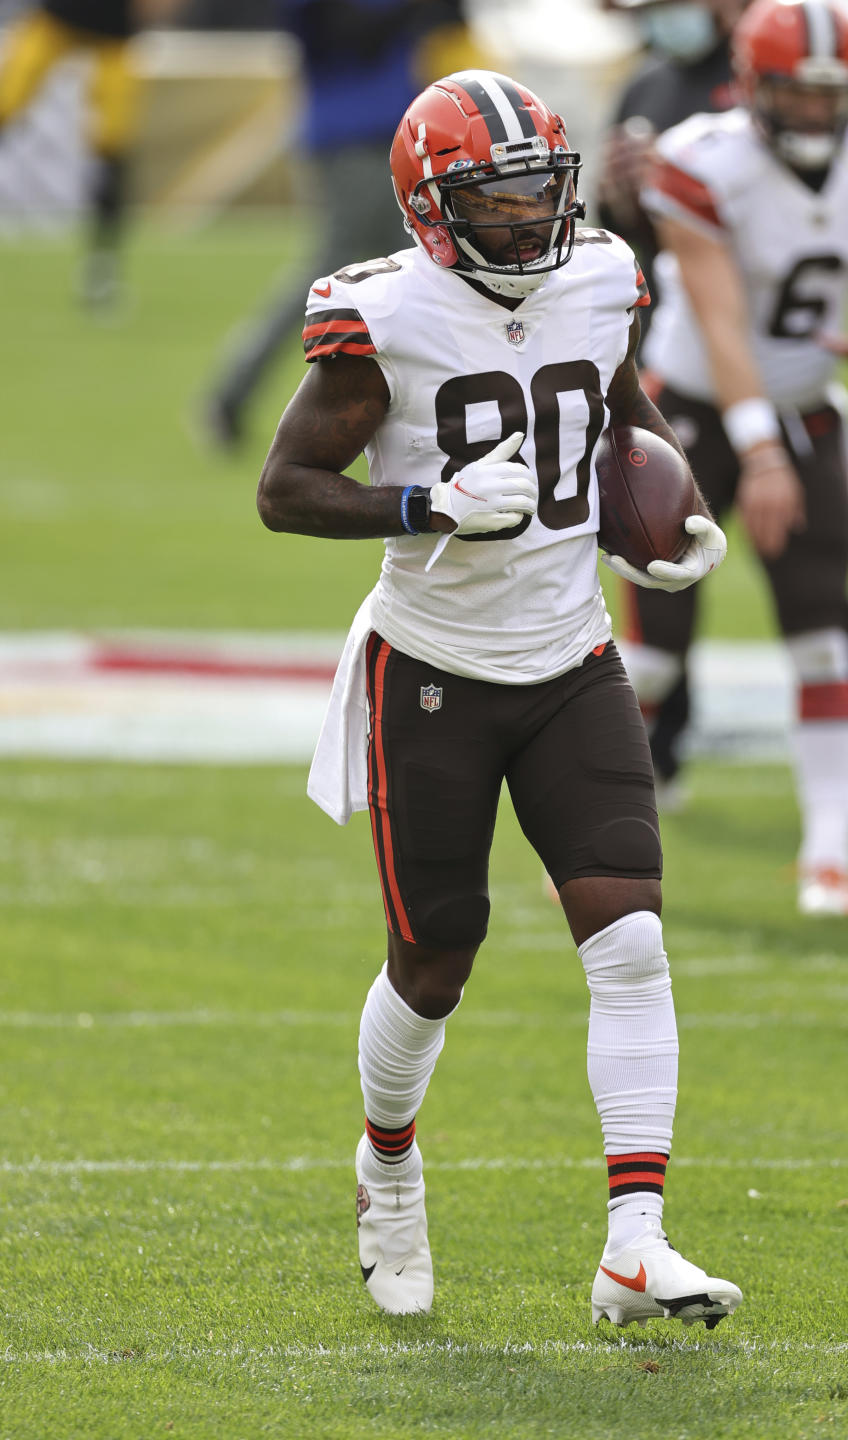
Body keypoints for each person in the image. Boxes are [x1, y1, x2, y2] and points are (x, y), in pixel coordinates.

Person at [256, 68, 741, 1327]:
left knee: (629, 940)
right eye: (497, 203)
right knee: (434, 962)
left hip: (572, 660)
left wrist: (660, 517)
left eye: (541, 199)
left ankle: (635, 1243)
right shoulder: (384, 318)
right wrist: (425, 505)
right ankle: (388, 1167)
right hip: (433, 672)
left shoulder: (601, 275)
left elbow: (617, 413)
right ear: (430, 207)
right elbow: (286, 487)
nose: (528, 226)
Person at [596, 0, 848, 825]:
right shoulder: (697, 146)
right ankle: (625, 791)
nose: (820, 110)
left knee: (817, 604)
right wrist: (760, 455)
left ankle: (844, 811)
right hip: (690, 390)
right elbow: (712, 314)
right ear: (752, 87)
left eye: (835, 91)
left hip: (799, 396)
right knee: (658, 627)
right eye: (801, 90)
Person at [202, 0, 486, 447]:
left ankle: (446, 408)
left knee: (421, 272)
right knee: (342, 275)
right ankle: (231, 393)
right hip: (354, 138)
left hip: (390, 135)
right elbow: (354, 33)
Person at [0, 0, 183, 306]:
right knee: (6, 105)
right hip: (57, 18)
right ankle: (101, 272)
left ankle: (102, 270)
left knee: (113, 152)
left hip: (114, 33)